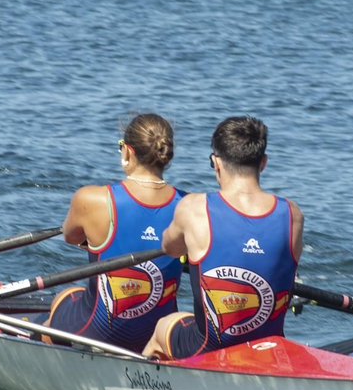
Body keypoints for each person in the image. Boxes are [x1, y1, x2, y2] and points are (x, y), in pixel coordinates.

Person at [144, 116, 304, 360]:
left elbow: (169, 248)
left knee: (164, 326)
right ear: (263, 163)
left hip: (209, 349)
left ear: (216, 163)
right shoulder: (292, 214)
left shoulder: (194, 208)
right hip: (269, 347)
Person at [42, 113, 185, 352]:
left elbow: (71, 237)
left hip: (98, 332)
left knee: (64, 298)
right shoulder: (191, 206)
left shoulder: (91, 198)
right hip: (158, 332)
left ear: (127, 151)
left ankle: (40, 345)